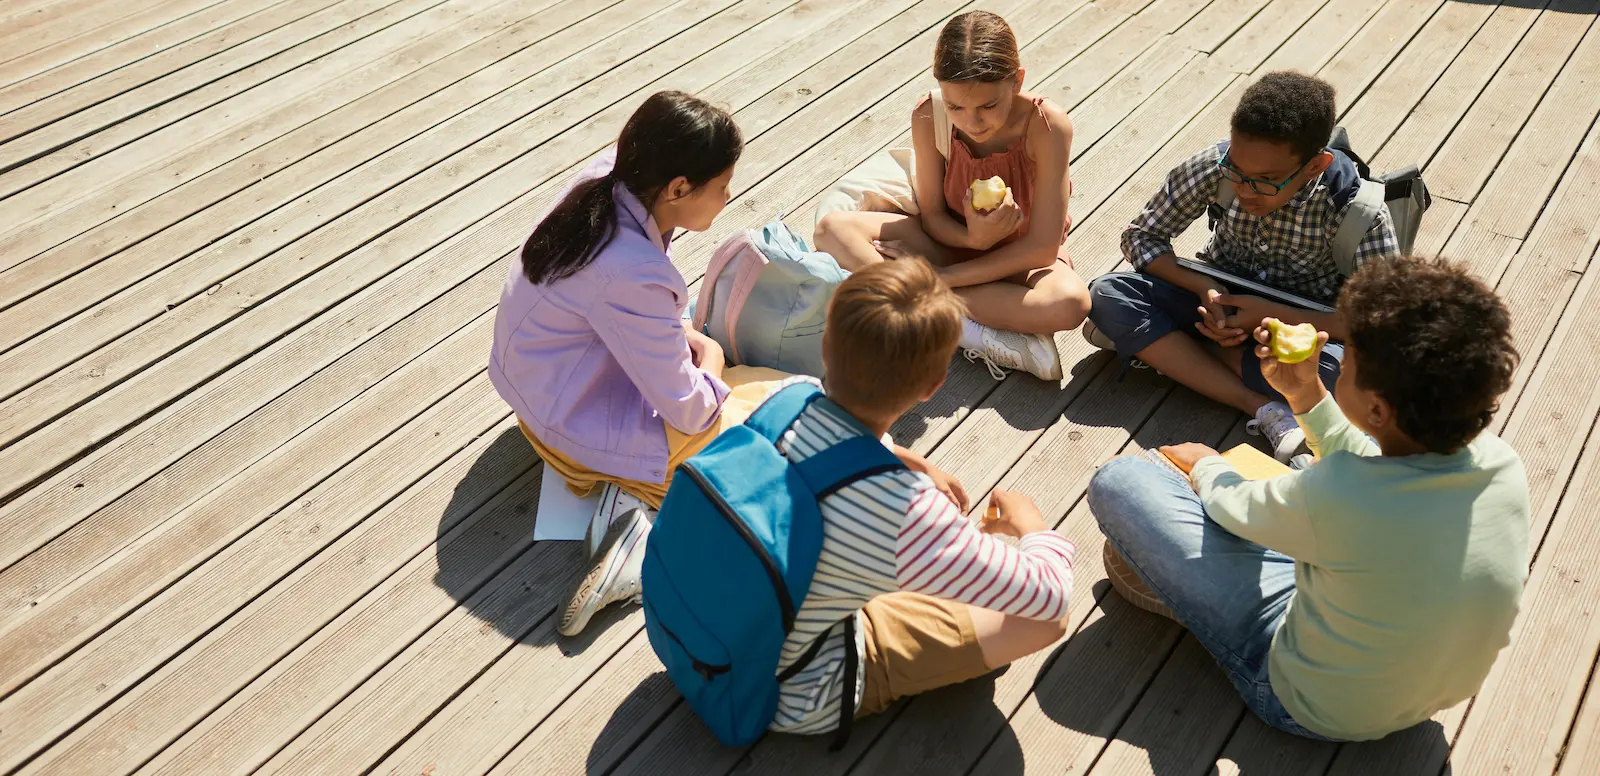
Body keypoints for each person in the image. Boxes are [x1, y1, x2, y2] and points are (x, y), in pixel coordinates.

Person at [562, 260, 1077, 737]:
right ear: (933, 386)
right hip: (787, 695)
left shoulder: (789, 396)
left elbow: (837, 451)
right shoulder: (906, 512)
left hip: (688, 637)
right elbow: (1047, 595)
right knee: (1040, 620)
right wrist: (1034, 530)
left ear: (827, 345)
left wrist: (904, 459)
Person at [1087, 256, 1528, 742]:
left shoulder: (1343, 494)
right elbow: (1375, 465)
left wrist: (1205, 464)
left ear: (1378, 407)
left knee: (1122, 479)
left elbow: (1233, 505)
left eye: (1349, 351)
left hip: (1306, 701)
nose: (1336, 352)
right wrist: (1308, 397)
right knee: (1313, 511)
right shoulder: (1499, 462)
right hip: (1421, 691)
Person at [489, 91, 789, 558]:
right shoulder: (630, 271)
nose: (729, 197)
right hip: (572, 431)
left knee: (767, 395)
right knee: (771, 446)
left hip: (541, 396)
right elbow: (690, 410)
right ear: (678, 188)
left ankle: (631, 503)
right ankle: (634, 532)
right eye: (723, 184)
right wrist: (709, 357)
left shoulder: (610, 176)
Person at [1084, 71, 1402, 461]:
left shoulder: (1358, 211)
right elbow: (1141, 236)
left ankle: (1165, 349)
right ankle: (1260, 405)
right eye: (1236, 171)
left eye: (1267, 181)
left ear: (1315, 166)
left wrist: (1271, 316)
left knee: (1350, 379)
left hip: (1301, 332)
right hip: (1212, 302)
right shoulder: (1215, 167)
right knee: (1108, 293)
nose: (1244, 190)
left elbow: (1381, 321)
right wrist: (1202, 288)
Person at [813, 11, 1087, 382]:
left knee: (1070, 303)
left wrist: (940, 279)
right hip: (950, 245)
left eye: (988, 106)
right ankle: (966, 328)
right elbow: (933, 217)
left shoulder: (1047, 126)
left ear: (1018, 80)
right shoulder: (930, 115)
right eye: (956, 106)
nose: (972, 123)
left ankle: (921, 302)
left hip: (1020, 262)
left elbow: (1041, 247)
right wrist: (971, 239)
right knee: (832, 230)